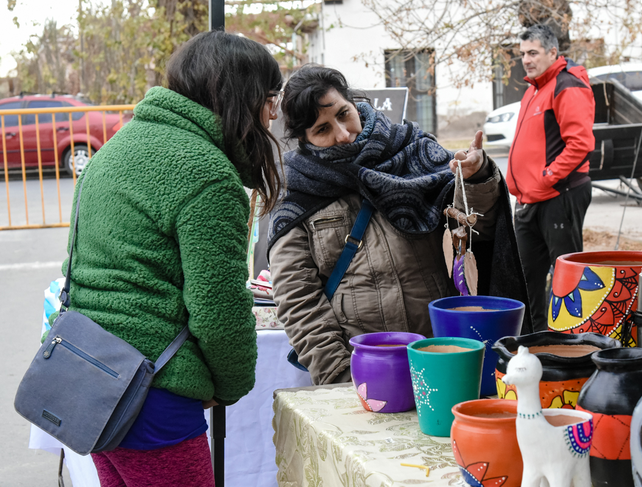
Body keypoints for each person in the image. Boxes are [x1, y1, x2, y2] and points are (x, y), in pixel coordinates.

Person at [61, 31, 283, 486]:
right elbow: (217, 308)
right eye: (270, 96)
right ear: (241, 94)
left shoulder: (116, 149)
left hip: (89, 380)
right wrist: (230, 385)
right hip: (151, 391)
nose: (274, 112)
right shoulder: (206, 173)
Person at [268, 65, 530, 385]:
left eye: (343, 114)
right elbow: (299, 302)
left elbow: (479, 234)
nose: (343, 133)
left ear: (355, 103)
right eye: (322, 130)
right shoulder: (298, 196)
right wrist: (342, 378)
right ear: (304, 139)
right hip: (365, 369)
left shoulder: (414, 151)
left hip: (443, 357)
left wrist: (475, 178)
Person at [506, 24, 596, 330]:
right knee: (526, 276)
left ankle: (569, 345)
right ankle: (534, 345)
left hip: (560, 195)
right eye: (522, 54)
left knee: (566, 280)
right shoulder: (534, 89)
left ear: (553, 52)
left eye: (533, 53)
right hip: (530, 200)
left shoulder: (566, 86)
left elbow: (581, 144)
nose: (527, 60)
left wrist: (547, 177)